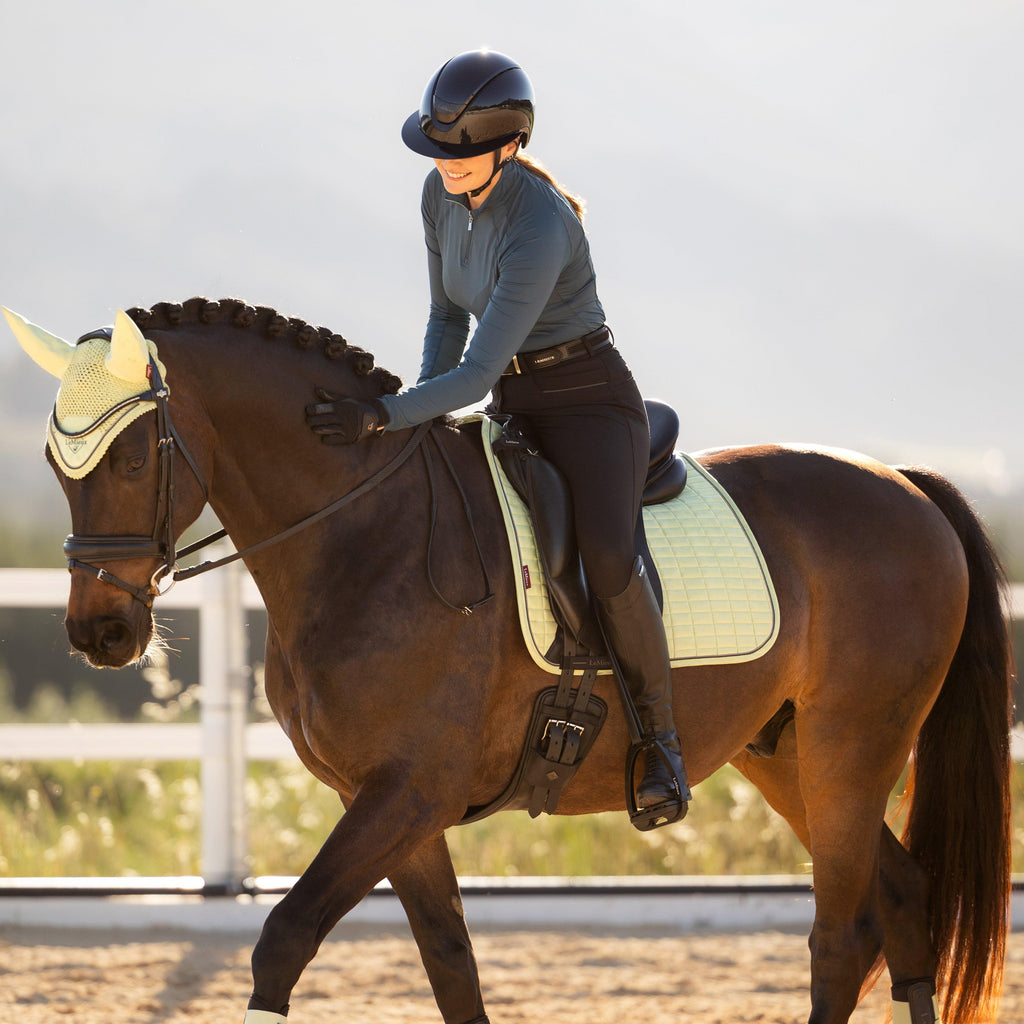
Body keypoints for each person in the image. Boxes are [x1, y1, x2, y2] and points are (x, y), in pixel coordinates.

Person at [307, 49, 689, 825]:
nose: (446, 165)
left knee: (609, 558)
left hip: (588, 404)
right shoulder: (437, 196)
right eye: (437, 151)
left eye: (463, 152)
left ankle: (660, 740)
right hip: (516, 399)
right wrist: (419, 407)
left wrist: (386, 414)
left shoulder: (539, 224)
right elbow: (448, 318)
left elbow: (475, 374)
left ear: (509, 145)